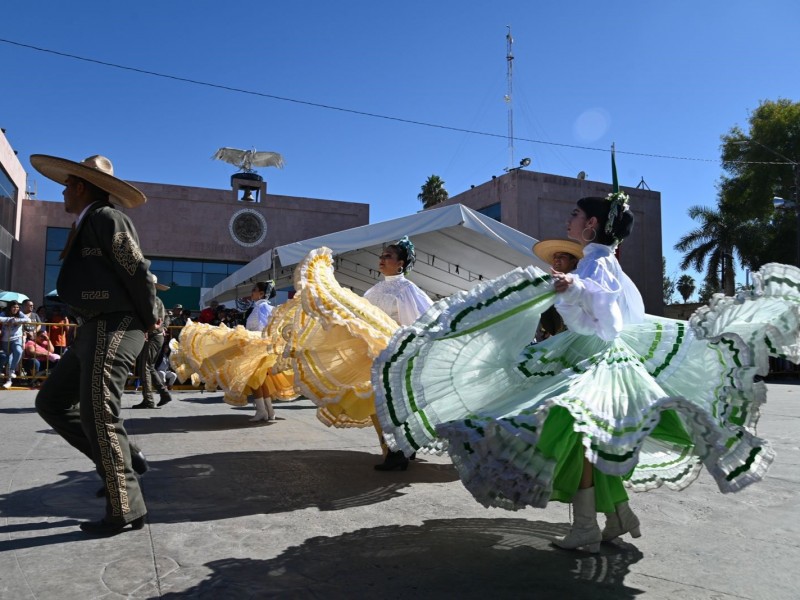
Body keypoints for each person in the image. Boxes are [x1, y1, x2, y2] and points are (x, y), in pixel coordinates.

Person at [373, 191, 797, 553]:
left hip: (599, 359)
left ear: (592, 224)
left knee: (573, 432)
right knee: (588, 437)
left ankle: (587, 526)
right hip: (595, 355)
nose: (569, 221)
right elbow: (615, 305)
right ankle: (614, 516)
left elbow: (610, 313)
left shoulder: (596, 265)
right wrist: (573, 287)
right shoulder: (602, 261)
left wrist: (575, 287)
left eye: (575, 216)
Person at [31, 153, 158, 536]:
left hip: (117, 322)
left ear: (82, 186)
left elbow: (138, 271)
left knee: (98, 413)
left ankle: (126, 508)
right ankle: (124, 462)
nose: (64, 191)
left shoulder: (106, 217)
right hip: (93, 326)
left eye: (68, 184)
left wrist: (150, 320)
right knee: (51, 401)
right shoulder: (86, 221)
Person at [290, 237, 432, 472]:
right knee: (377, 403)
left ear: (401, 263)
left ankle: (399, 451)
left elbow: (416, 323)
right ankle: (394, 449)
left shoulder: (408, 291)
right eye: (382, 256)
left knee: (393, 403)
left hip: (396, 354)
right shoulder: (373, 290)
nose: (382, 259)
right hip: (373, 355)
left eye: (388, 256)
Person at [532, 240, 582, 340]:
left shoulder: (580, 282)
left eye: (562, 256)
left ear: (573, 261)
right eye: (555, 257)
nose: (556, 260)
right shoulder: (551, 284)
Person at [133, 287, 172, 409]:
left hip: (152, 336)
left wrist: (155, 328)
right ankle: (163, 394)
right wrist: (163, 328)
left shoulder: (151, 300)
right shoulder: (156, 299)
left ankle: (149, 399)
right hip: (155, 336)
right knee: (149, 367)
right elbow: (166, 317)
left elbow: (154, 318)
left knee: (145, 367)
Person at [245, 281, 278, 421]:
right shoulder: (259, 307)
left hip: (258, 347)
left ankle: (262, 411)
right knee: (260, 380)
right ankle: (268, 411)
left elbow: (264, 328)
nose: (251, 292)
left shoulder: (263, 307)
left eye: (254, 290)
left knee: (254, 380)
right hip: (256, 346)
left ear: (262, 294)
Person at [0, 300, 31, 388]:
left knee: (18, 352)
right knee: (9, 359)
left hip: (17, 338)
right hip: (6, 340)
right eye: (14, 307)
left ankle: (12, 370)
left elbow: (28, 320)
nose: (16, 309)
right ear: (10, 307)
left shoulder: (20, 313)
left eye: (17, 307)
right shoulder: (4, 313)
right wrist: (9, 319)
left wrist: (17, 320)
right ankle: (9, 381)